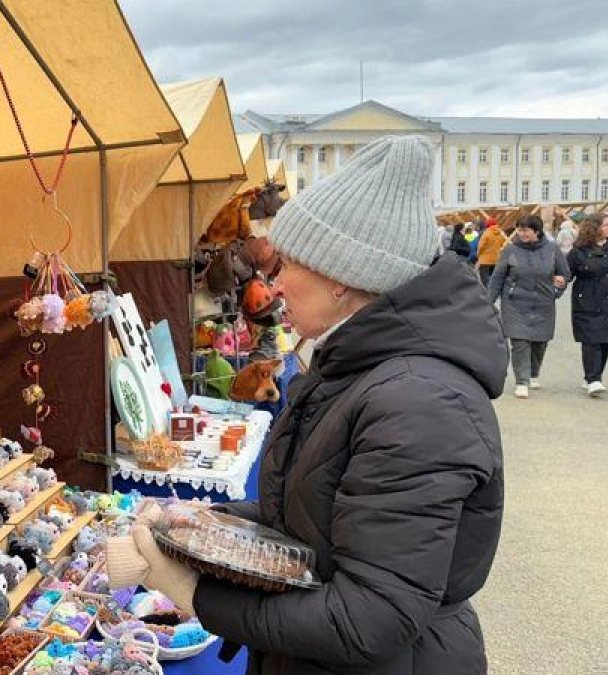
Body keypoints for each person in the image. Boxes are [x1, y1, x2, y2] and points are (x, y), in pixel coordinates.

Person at [108, 136, 506, 675]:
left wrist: (195, 593)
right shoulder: (359, 368)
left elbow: (368, 620)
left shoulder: (421, 405)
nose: (273, 285)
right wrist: (205, 525)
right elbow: (314, 520)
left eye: (288, 265)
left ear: (340, 278)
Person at [486, 215, 569, 398]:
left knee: (540, 342)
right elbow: (497, 277)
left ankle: (533, 373)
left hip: (543, 302)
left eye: (525, 230)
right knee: (520, 341)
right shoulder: (510, 250)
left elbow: (565, 274)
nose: (521, 233)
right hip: (515, 303)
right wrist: (488, 302)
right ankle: (521, 381)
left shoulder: (552, 249)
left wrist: (556, 291)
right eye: (519, 230)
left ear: (536, 231)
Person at [566, 213, 608, 396]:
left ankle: (593, 376)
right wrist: (556, 285)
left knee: (606, 341)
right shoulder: (579, 251)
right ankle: (593, 379)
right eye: (605, 225)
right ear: (594, 227)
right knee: (591, 341)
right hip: (587, 300)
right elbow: (566, 273)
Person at [476, 216, 512, 286]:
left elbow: (480, 246)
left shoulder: (486, 233)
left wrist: (478, 255)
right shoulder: (501, 233)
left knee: (485, 279)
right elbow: (505, 243)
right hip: (496, 259)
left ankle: (488, 291)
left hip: (485, 261)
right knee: (494, 278)